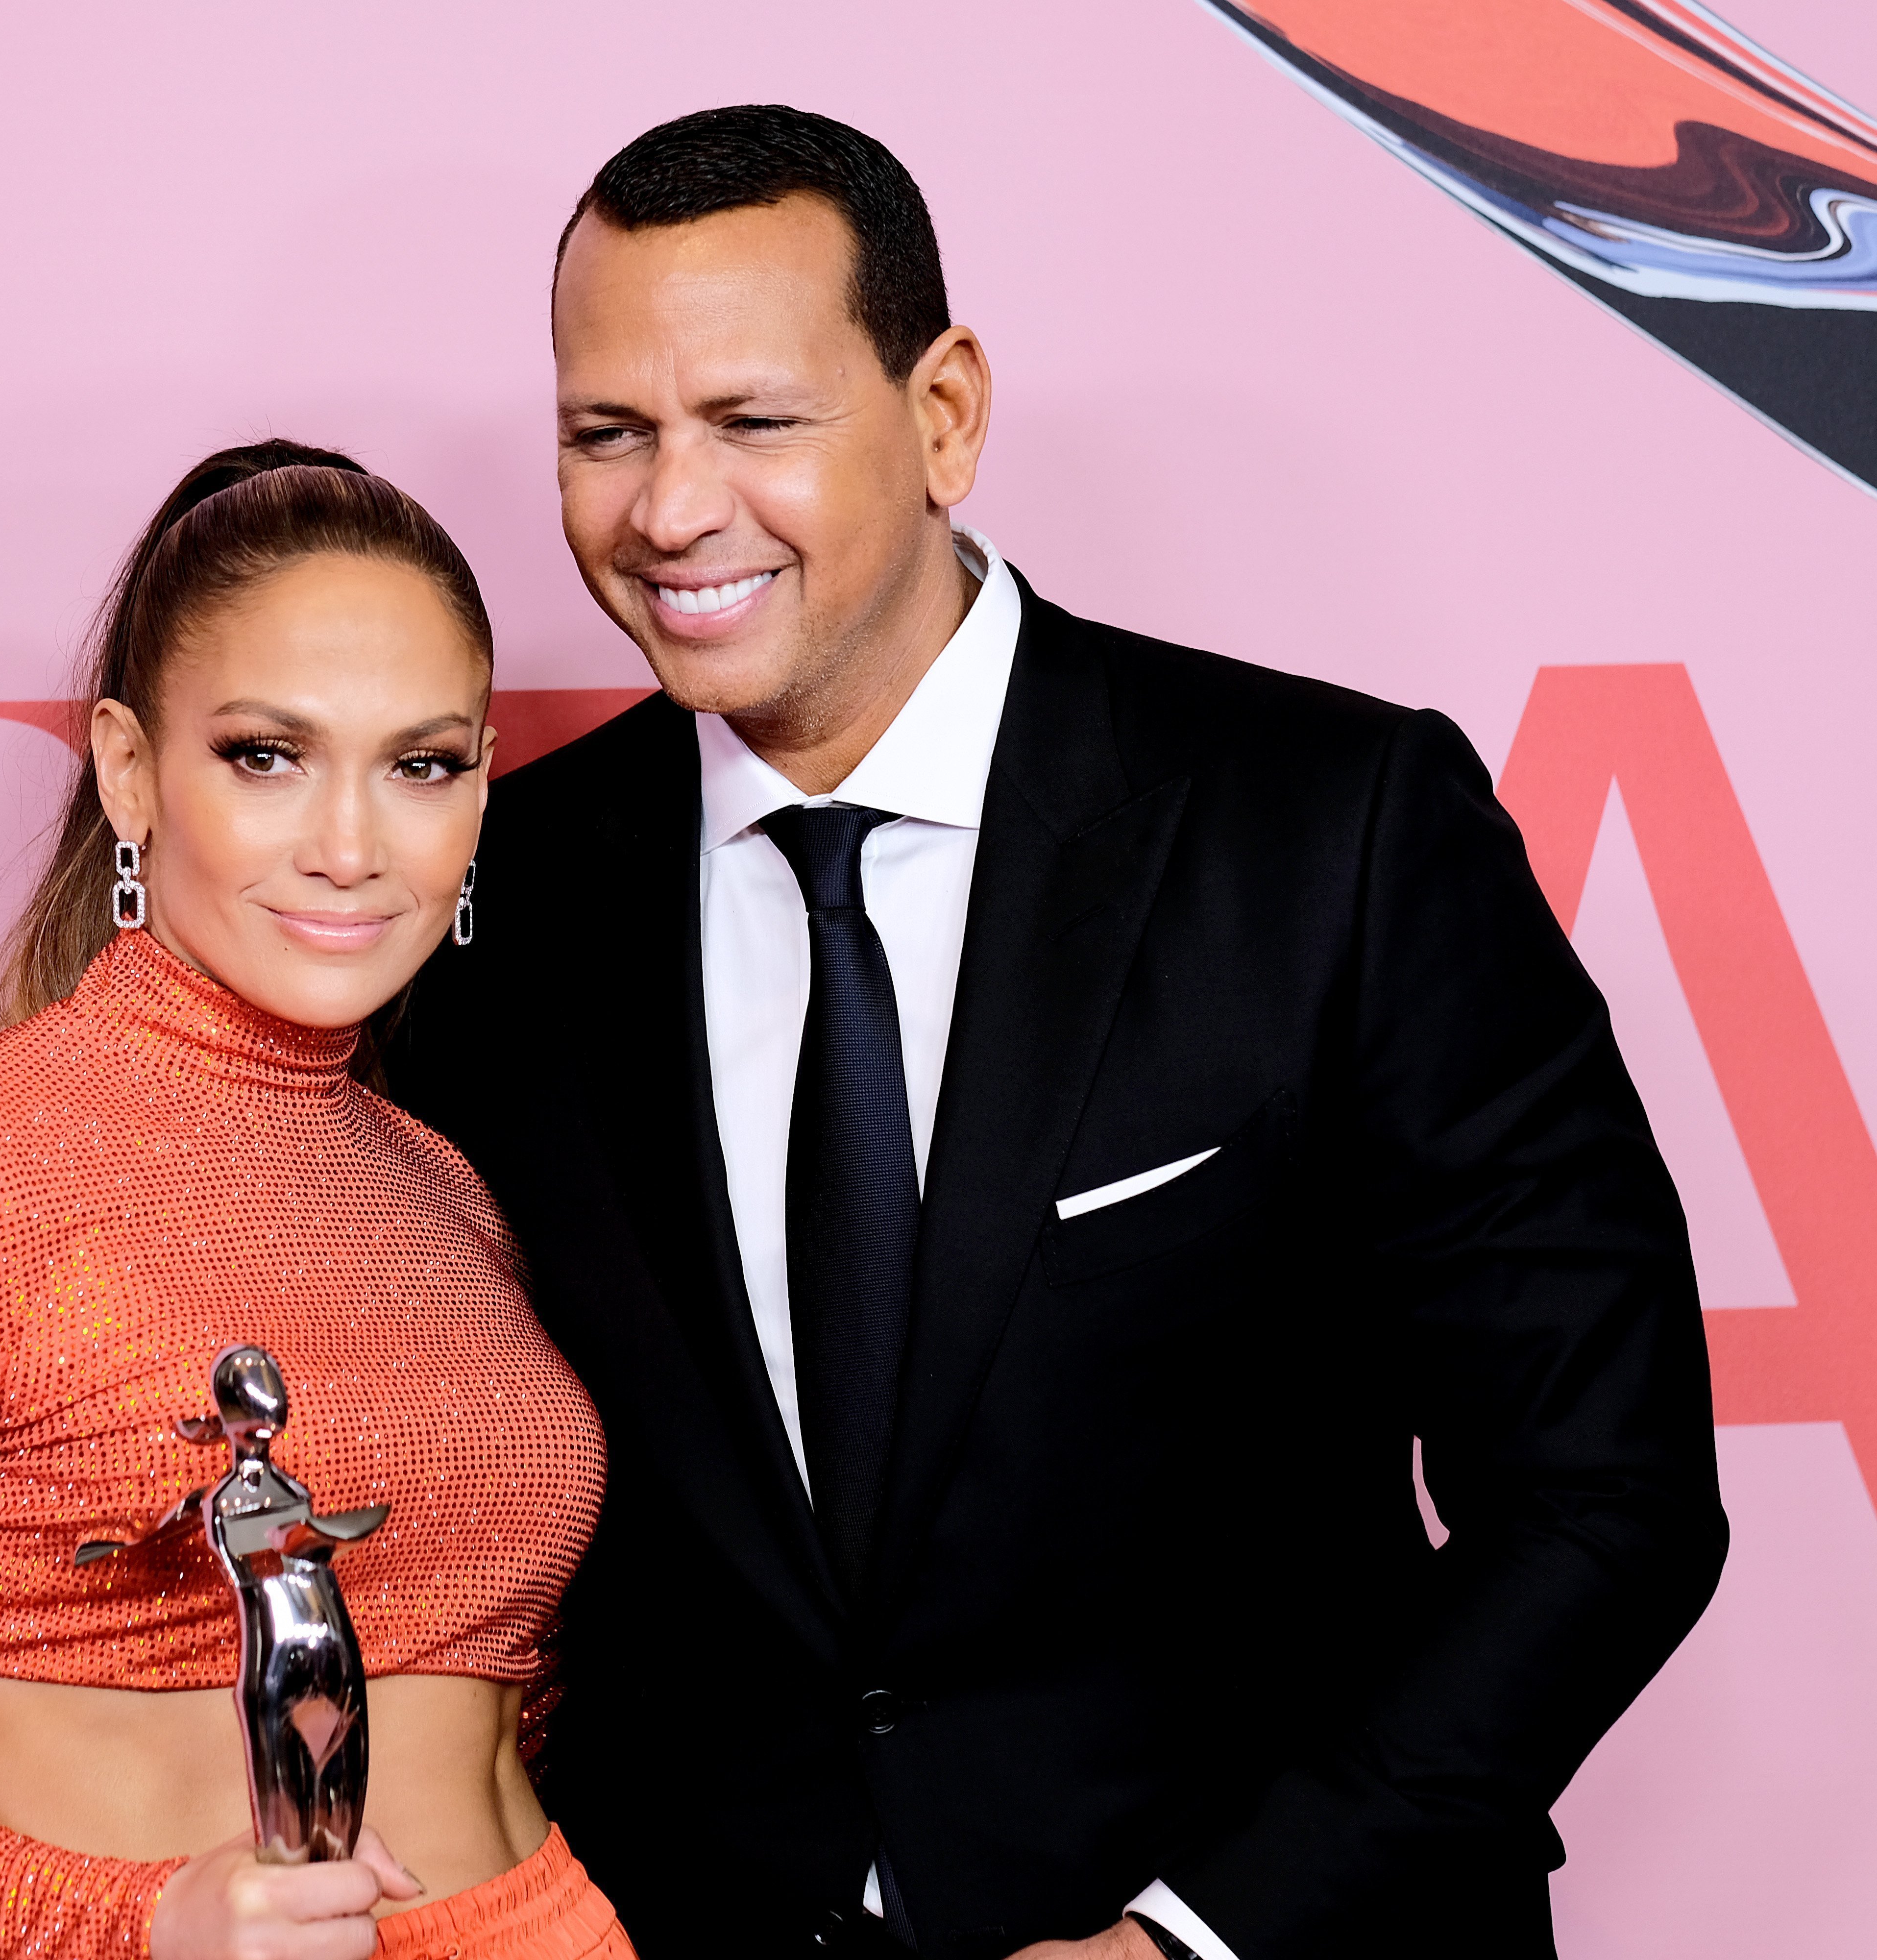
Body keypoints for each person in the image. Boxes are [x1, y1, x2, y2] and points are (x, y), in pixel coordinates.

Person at [390, 106, 1727, 1960]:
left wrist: (1193, 1938)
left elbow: (1606, 1497)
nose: (669, 508)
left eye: (755, 422)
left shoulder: (1333, 827)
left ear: (943, 413)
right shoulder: (492, 898)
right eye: (609, 433)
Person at [0, 443, 633, 1960]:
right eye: (267, 755)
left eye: (422, 764)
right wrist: (141, 1922)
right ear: (129, 769)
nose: (353, 846)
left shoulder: (445, 1185)